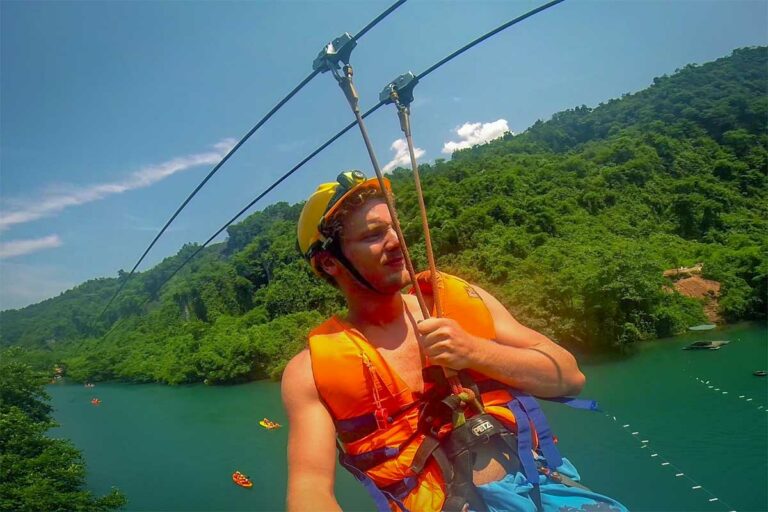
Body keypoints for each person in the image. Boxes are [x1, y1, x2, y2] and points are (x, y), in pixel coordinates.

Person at [282, 171, 627, 512]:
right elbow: (309, 490)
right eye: (374, 234)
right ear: (329, 262)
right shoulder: (309, 373)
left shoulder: (452, 303)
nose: (397, 241)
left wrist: (474, 351)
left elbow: (569, 377)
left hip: (546, 489)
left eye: (394, 226)